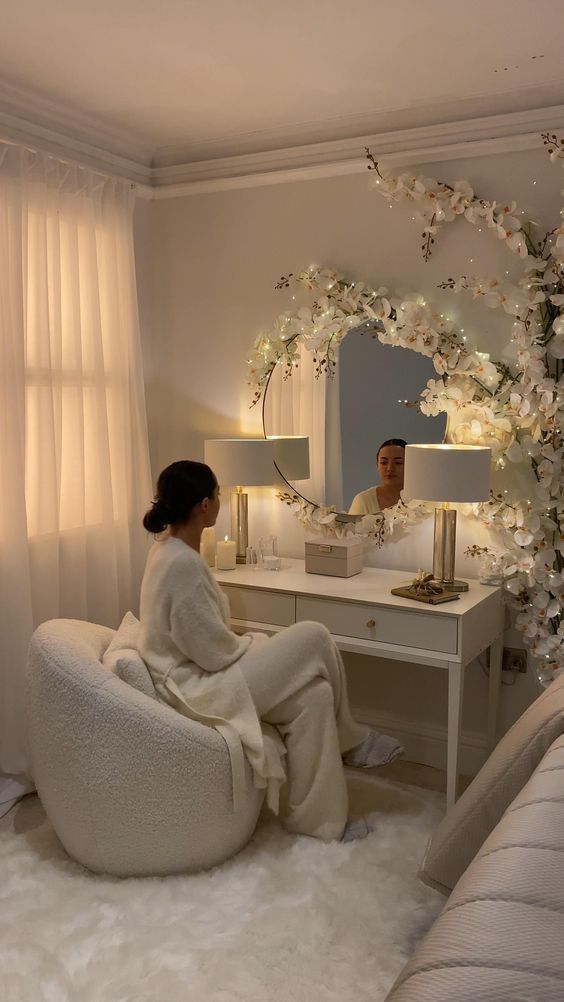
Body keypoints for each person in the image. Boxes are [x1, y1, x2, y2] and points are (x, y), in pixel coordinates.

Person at [138, 460, 404, 844]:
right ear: (204, 505)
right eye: (217, 494)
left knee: (314, 697)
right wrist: (253, 644)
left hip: (208, 674)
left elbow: (206, 641)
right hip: (199, 688)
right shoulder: (181, 564)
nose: (220, 500)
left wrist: (253, 645)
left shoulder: (170, 551)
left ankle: (318, 822)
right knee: (314, 635)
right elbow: (212, 652)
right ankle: (353, 741)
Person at [348, 438, 407, 515]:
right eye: (384, 462)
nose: (390, 468)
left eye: (398, 463)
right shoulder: (364, 500)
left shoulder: (421, 500)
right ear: (377, 465)